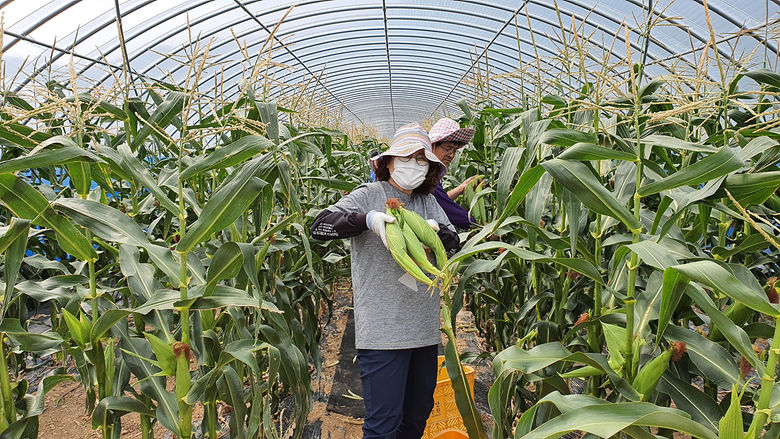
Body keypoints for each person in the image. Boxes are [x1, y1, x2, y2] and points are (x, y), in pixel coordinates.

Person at [310, 123, 460, 439]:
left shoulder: (428, 201)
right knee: (383, 425)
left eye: (422, 160)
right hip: (383, 333)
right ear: (389, 162)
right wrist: (367, 220)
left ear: (431, 168)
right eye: (406, 157)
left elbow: (453, 240)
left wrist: (435, 232)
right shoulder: (370, 195)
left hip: (424, 330)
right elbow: (320, 226)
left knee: (416, 417)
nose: (414, 165)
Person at [428, 117, 480, 230]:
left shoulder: (434, 169)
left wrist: (462, 187)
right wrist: (481, 227)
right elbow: (446, 208)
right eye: (448, 148)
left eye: (454, 150)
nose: (452, 155)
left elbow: (437, 201)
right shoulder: (425, 172)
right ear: (432, 145)